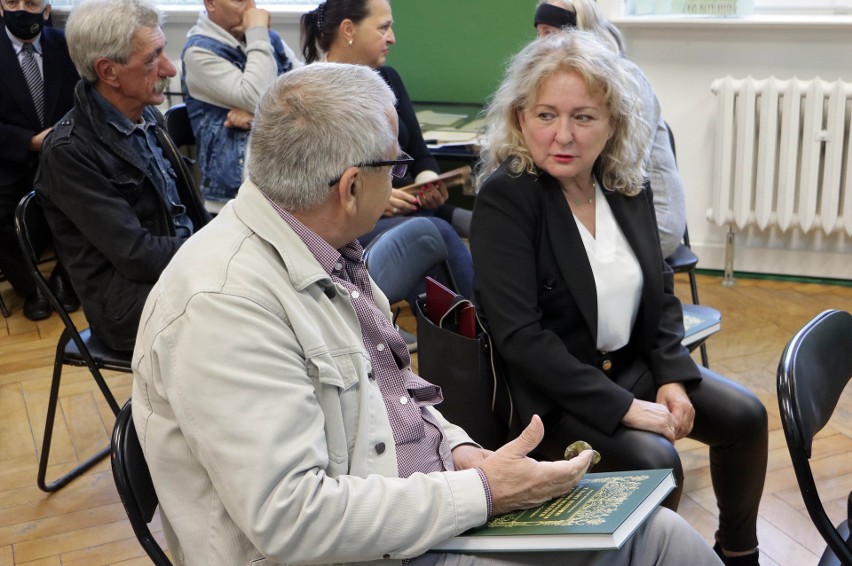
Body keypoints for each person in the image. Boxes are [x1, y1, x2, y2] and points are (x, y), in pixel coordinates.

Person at [131, 62, 723, 566]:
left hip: (414, 511)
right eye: (397, 164)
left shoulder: (322, 246)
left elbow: (394, 398)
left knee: (662, 537)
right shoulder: (225, 307)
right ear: (352, 186)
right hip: (361, 548)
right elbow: (291, 521)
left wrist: (464, 454)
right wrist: (484, 491)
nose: (404, 176)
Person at [470, 31, 767, 566]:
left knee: (746, 417)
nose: (563, 135)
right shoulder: (506, 198)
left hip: (630, 368)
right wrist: (626, 408)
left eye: (583, 117)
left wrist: (672, 375)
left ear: (612, 124)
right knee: (657, 459)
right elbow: (522, 340)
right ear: (519, 119)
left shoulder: (624, 182)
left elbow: (659, 290)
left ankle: (739, 555)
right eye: (545, 115)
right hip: (555, 399)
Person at [35, 0, 210, 352]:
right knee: (253, 317)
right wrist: (217, 250)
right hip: (129, 307)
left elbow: (184, 213)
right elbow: (137, 255)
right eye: (152, 59)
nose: (169, 70)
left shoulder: (146, 116)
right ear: (108, 71)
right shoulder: (69, 152)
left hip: (178, 270)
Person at [301, 0, 474, 303]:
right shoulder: (312, 96)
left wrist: (429, 181)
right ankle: (483, 334)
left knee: (494, 221)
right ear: (348, 30)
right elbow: (312, 190)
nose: (392, 37)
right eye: (383, 28)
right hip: (358, 223)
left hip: (417, 205)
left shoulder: (389, 78)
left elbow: (421, 155)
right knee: (436, 233)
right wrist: (376, 199)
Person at [533, 0, 686, 259]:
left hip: (648, 219)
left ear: (577, 32)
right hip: (596, 204)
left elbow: (624, 165)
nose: (539, 46)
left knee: (544, 244)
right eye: (539, 34)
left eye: (549, 34)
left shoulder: (627, 78)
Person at [181, 0, 302, 211]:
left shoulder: (265, 39)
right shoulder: (198, 51)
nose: (251, 8)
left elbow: (308, 90)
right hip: (233, 198)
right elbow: (258, 96)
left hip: (282, 180)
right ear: (210, 4)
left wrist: (258, 117)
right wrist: (257, 32)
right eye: (239, 0)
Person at [0, 0, 79, 320]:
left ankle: (66, 276)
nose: (22, 10)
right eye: (12, 2)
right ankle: (31, 287)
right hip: (8, 159)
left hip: (63, 153)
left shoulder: (66, 45)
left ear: (46, 10)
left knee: (91, 197)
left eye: (31, 3)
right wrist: (28, 142)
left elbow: (85, 99)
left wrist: (61, 137)